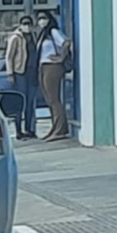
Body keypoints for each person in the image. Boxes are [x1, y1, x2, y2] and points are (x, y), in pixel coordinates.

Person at [36, 11, 72, 142]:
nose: (41, 21)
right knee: (48, 100)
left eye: (44, 18)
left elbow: (66, 43)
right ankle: (54, 127)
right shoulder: (43, 35)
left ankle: (60, 129)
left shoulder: (53, 31)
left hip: (52, 66)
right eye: (39, 18)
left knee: (54, 99)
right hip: (43, 66)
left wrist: (60, 58)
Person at [5, 15, 39, 139]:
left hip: (32, 73)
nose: (27, 26)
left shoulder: (34, 37)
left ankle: (29, 129)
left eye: (29, 24)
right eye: (24, 24)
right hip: (20, 73)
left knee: (30, 102)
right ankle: (18, 130)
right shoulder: (15, 38)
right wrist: (10, 73)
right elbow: (9, 57)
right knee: (20, 102)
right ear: (20, 24)